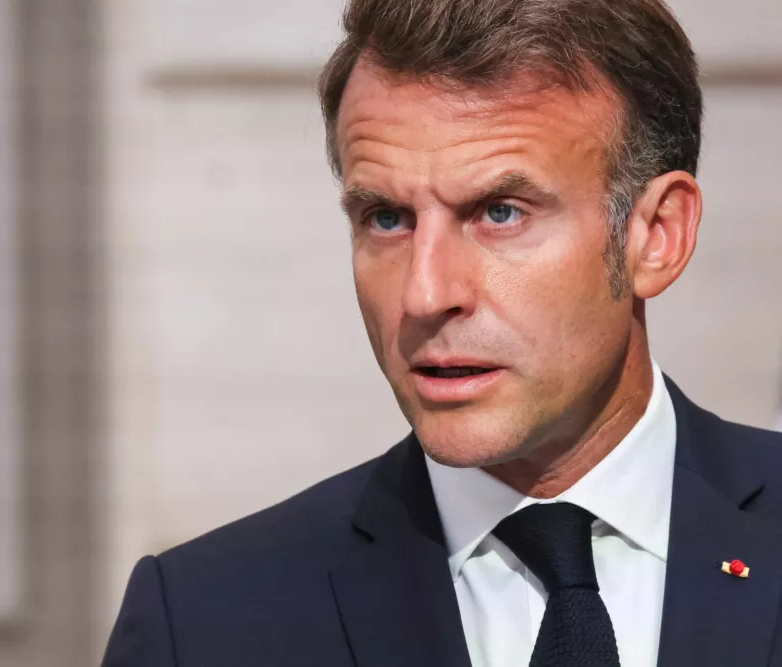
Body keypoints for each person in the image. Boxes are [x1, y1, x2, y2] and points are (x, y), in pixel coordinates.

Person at [103, 0, 782, 665]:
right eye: (387, 218)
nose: (425, 295)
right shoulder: (203, 624)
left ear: (656, 236)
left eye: (499, 212)